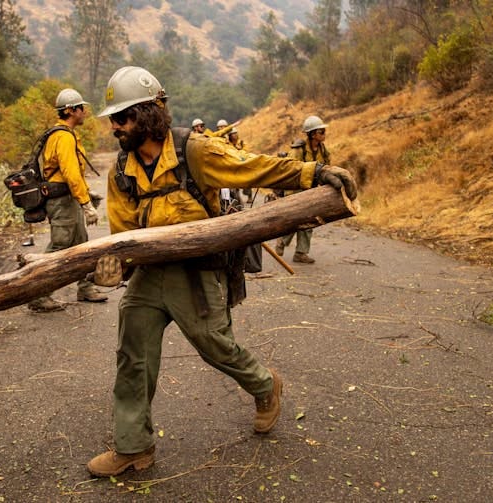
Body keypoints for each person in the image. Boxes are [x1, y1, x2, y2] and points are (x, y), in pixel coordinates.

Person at [86, 66, 357, 477]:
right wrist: (114, 267)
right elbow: (123, 236)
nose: (115, 127)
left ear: (147, 113)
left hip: (196, 272)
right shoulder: (120, 172)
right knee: (132, 356)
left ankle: (266, 386)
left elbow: (255, 167)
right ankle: (132, 447)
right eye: (113, 119)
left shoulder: (196, 151)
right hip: (148, 276)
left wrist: (314, 173)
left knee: (216, 346)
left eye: (122, 117)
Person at [26, 88, 107, 312]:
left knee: (82, 244)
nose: (85, 111)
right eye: (82, 108)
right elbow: (70, 173)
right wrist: (86, 204)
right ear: (71, 110)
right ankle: (38, 295)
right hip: (62, 202)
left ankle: (86, 287)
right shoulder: (62, 136)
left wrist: (86, 194)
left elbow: (71, 174)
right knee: (59, 247)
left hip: (68, 199)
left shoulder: (64, 134)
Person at [273, 115, 331, 263]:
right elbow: (290, 168)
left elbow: (327, 167)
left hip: (311, 190)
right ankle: (282, 241)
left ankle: (301, 252)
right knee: (295, 219)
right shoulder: (299, 149)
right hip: (296, 189)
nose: (324, 134)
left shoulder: (323, 150)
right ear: (312, 134)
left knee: (310, 220)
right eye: (321, 132)